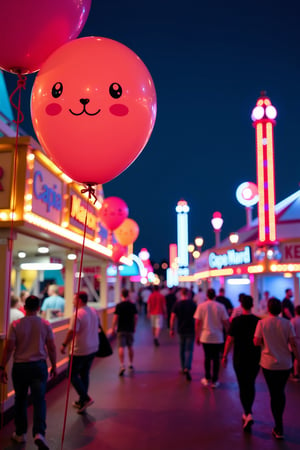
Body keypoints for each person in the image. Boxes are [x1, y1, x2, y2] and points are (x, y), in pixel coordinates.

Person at [0, 295, 57, 449]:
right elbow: (51, 347)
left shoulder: (16, 324)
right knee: (39, 400)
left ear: (24, 307)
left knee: (20, 400)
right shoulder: (45, 324)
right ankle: (39, 433)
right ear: (38, 308)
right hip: (39, 366)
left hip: (20, 367)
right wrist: (54, 365)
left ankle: (20, 434)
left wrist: (2, 366)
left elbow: (9, 348)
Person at [254, 297, 300, 440]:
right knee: (280, 392)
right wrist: (298, 358)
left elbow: (256, 342)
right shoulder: (287, 323)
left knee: (274, 393)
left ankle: (278, 426)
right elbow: (293, 343)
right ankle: (279, 426)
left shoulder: (261, 323)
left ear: (268, 309)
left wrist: (264, 340)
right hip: (285, 364)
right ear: (280, 309)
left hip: (268, 364)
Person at [222, 295, 261, 432]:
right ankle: (248, 412)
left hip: (239, 357)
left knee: (242, 384)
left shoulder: (236, 321)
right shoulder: (258, 321)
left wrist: (225, 356)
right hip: (255, 357)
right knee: (250, 383)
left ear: (241, 305)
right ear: (252, 305)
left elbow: (229, 340)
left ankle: (247, 412)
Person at [60, 291, 99, 413]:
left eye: (74, 299)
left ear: (80, 300)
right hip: (93, 347)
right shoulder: (93, 310)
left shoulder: (77, 314)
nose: (72, 301)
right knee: (84, 373)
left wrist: (64, 345)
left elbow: (72, 332)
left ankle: (86, 398)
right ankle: (82, 401)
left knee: (71, 374)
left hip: (80, 349)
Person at [194, 288, 229, 388]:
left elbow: (197, 323)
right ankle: (215, 380)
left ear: (207, 296)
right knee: (216, 358)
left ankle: (207, 378)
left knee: (207, 357)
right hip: (218, 337)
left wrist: (197, 335)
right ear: (215, 296)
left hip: (205, 336)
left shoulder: (201, 306)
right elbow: (226, 322)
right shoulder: (220, 306)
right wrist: (228, 333)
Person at [170, 287, 197, 381]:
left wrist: (171, 329)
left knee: (182, 349)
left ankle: (182, 367)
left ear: (181, 294)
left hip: (181, 330)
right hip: (191, 330)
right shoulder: (193, 304)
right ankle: (187, 367)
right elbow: (197, 319)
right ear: (188, 294)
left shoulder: (177, 304)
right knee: (189, 350)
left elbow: (173, 317)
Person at [112, 288, 138, 376]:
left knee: (121, 347)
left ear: (121, 295)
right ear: (128, 295)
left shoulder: (119, 305)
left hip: (121, 329)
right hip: (130, 328)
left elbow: (115, 318)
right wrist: (134, 326)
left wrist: (113, 328)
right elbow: (136, 317)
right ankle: (131, 364)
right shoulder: (132, 305)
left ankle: (122, 365)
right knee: (130, 346)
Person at [291, 305, 300, 381]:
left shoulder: (293, 320)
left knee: (296, 358)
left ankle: (296, 374)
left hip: (296, 341)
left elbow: (291, 332)